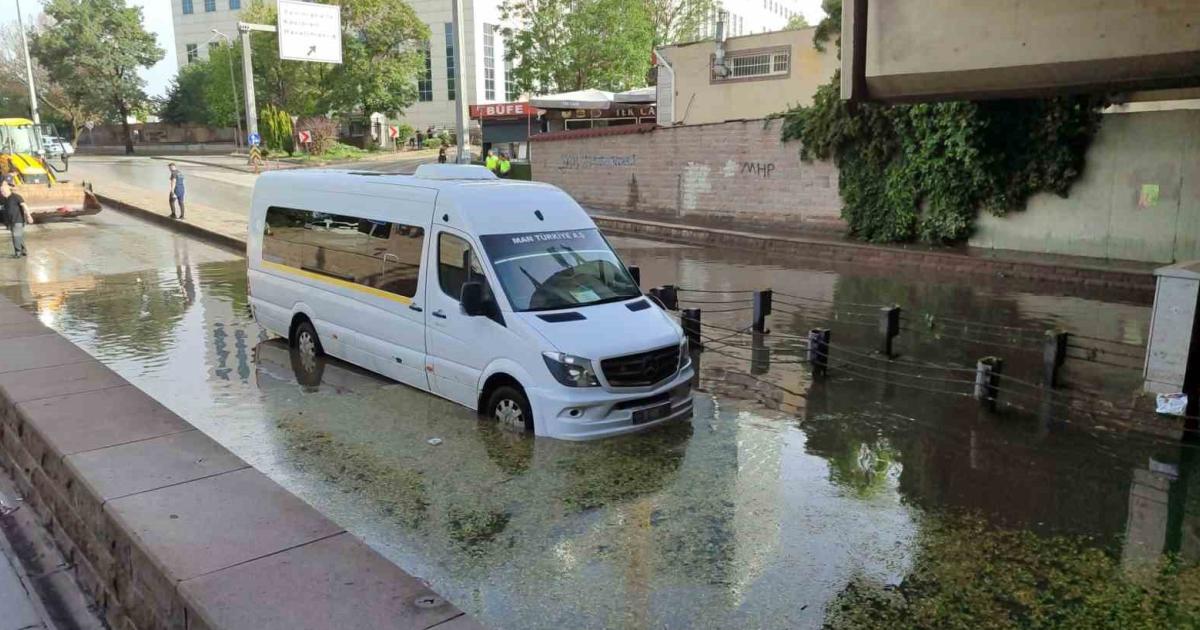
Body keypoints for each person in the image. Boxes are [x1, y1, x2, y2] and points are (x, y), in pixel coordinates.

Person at [1, 180, 32, 258]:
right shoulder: (4, 199)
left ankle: (18, 252)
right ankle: (24, 250)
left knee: (16, 236)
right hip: (10, 221)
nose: (2, 193)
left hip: (18, 220)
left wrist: (29, 216)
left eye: (3, 191)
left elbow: (24, 206)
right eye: (1, 191)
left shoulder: (16, 197)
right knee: (18, 236)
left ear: (8, 190)